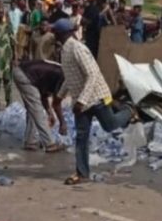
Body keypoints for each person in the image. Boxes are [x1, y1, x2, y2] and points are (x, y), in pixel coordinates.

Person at [57, 22, 132, 185]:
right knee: (81, 137)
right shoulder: (64, 50)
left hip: (97, 97)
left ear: (62, 34)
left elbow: (92, 74)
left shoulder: (77, 48)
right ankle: (82, 173)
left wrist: (82, 100)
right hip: (81, 102)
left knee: (110, 125)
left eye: (56, 33)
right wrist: (60, 95)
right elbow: (70, 76)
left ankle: (129, 110)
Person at [14, 58, 66, 152]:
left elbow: (44, 96)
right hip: (25, 75)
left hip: (23, 72)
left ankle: (31, 142)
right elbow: (56, 103)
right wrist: (62, 123)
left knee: (33, 110)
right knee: (37, 111)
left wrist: (50, 113)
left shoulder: (57, 73)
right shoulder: (63, 77)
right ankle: (50, 144)